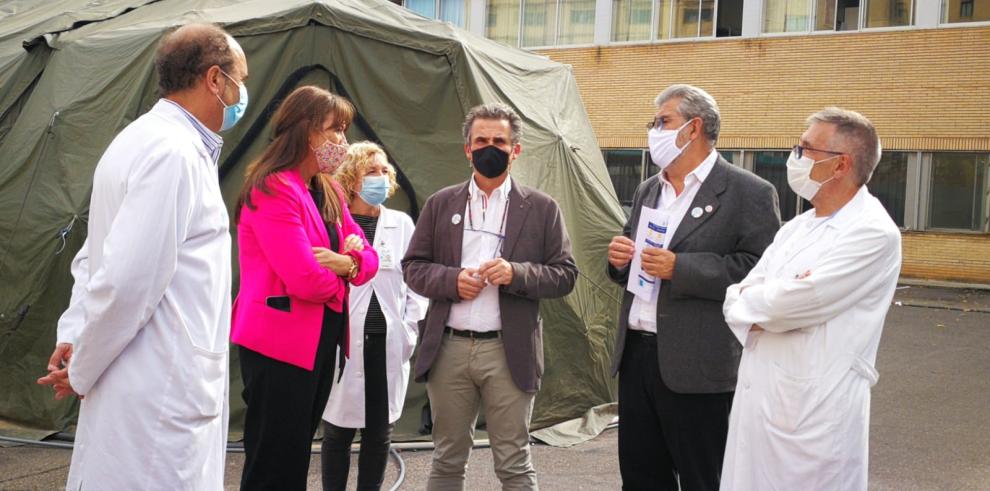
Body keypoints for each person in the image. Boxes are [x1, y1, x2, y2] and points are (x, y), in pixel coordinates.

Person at [35, 23, 248, 489]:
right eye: (240, 80)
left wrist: (75, 333)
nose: (242, 94)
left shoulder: (138, 140)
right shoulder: (173, 153)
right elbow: (129, 281)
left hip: (146, 379)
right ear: (215, 79)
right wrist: (83, 365)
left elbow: (95, 256)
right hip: (159, 389)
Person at [605, 84, 780, 491]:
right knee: (641, 476)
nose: (654, 131)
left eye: (662, 121)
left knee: (704, 478)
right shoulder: (650, 188)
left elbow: (759, 271)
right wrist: (618, 261)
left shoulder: (749, 192)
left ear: (693, 127)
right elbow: (633, 252)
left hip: (699, 366)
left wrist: (681, 268)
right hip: (637, 358)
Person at [720, 108, 901, 491]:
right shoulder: (798, 226)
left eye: (805, 149)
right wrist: (763, 303)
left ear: (840, 165)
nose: (794, 158)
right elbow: (737, 296)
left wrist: (763, 303)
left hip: (816, 415)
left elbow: (795, 304)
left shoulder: (872, 233)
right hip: (761, 404)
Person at [402, 103, 578, 490]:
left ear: (516, 150)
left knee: (514, 461)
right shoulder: (441, 203)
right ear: (467, 149)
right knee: (447, 460)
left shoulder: (542, 208)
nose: (490, 148)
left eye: (500, 141)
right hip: (448, 349)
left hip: (508, 350)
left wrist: (517, 272)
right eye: (481, 140)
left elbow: (565, 275)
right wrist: (452, 281)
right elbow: (413, 266)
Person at [230, 86, 379, 490]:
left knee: (294, 455)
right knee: (274, 461)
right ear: (308, 132)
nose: (343, 143)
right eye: (336, 130)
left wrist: (347, 263)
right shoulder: (273, 187)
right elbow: (304, 278)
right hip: (279, 344)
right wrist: (345, 276)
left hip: (319, 340)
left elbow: (369, 257)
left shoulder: (327, 188)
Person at [320, 142, 427, 490]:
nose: (380, 178)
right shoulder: (333, 223)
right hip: (345, 342)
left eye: (384, 171)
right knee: (338, 430)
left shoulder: (402, 224)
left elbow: (416, 284)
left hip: (388, 342)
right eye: (371, 171)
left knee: (379, 432)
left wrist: (410, 329)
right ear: (352, 178)